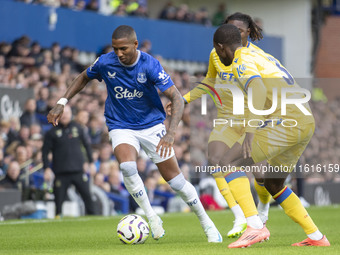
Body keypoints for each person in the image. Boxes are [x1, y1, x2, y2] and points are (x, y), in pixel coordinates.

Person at [46, 25, 222, 242]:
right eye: (115, 49)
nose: (119, 53)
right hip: (121, 125)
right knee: (127, 166)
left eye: (124, 49)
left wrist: (170, 132)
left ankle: (207, 222)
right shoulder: (105, 62)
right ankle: (151, 216)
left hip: (152, 126)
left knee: (176, 182)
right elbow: (83, 77)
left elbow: (176, 97)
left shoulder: (149, 65)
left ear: (135, 45)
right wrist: (62, 102)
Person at [213, 23, 330, 248]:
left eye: (217, 52)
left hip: (287, 120)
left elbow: (257, 88)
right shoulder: (258, 55)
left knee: (227, 161)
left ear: (220, 47)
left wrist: (249, 131)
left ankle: (255, 225)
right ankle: (317, 237)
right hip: (305, 119)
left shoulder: (240, 61)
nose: (217, 57)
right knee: (274, 183)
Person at [167, 12, 271, 238]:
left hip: (252, 119)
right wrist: (183, 99)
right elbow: (209, 82)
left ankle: (263, 207)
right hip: (227, 119)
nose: (235, 34)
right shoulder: (217, 53)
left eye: (240, 31)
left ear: (248, 33)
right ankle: (240, 216)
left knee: (261, 175)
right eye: (230, 29)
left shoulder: (256, 58)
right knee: (215, 160)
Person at [42, 105, 95, 217]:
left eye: (67, 113)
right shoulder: (52, 132)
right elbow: (45, 152)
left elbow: (87, 146)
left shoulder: (78, 128)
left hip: (78, 170)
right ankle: (58, 217)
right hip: (61, 172)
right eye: (63, 113)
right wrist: (46, 168)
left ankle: (94, 218)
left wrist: (91, 162)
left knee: (88, 197)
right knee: (59, 200)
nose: (65, 115)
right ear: (59, 115)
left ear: (71, 114)